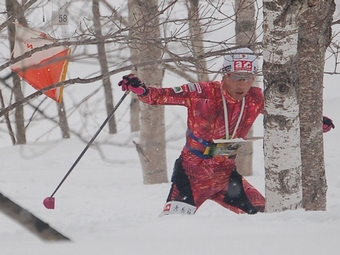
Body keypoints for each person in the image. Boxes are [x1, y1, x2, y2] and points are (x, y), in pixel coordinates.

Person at [118, 47, 335, 215]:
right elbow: (158, 96)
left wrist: (313, 123)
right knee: (172, 227)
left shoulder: (256, 97)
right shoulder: (202, 92)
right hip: (192, 176)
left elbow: (287, 116)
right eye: (235, 77)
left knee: (266, 217)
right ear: (224, 75)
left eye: (247, 78)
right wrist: (141, 89)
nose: (241, 85)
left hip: (226, 178)